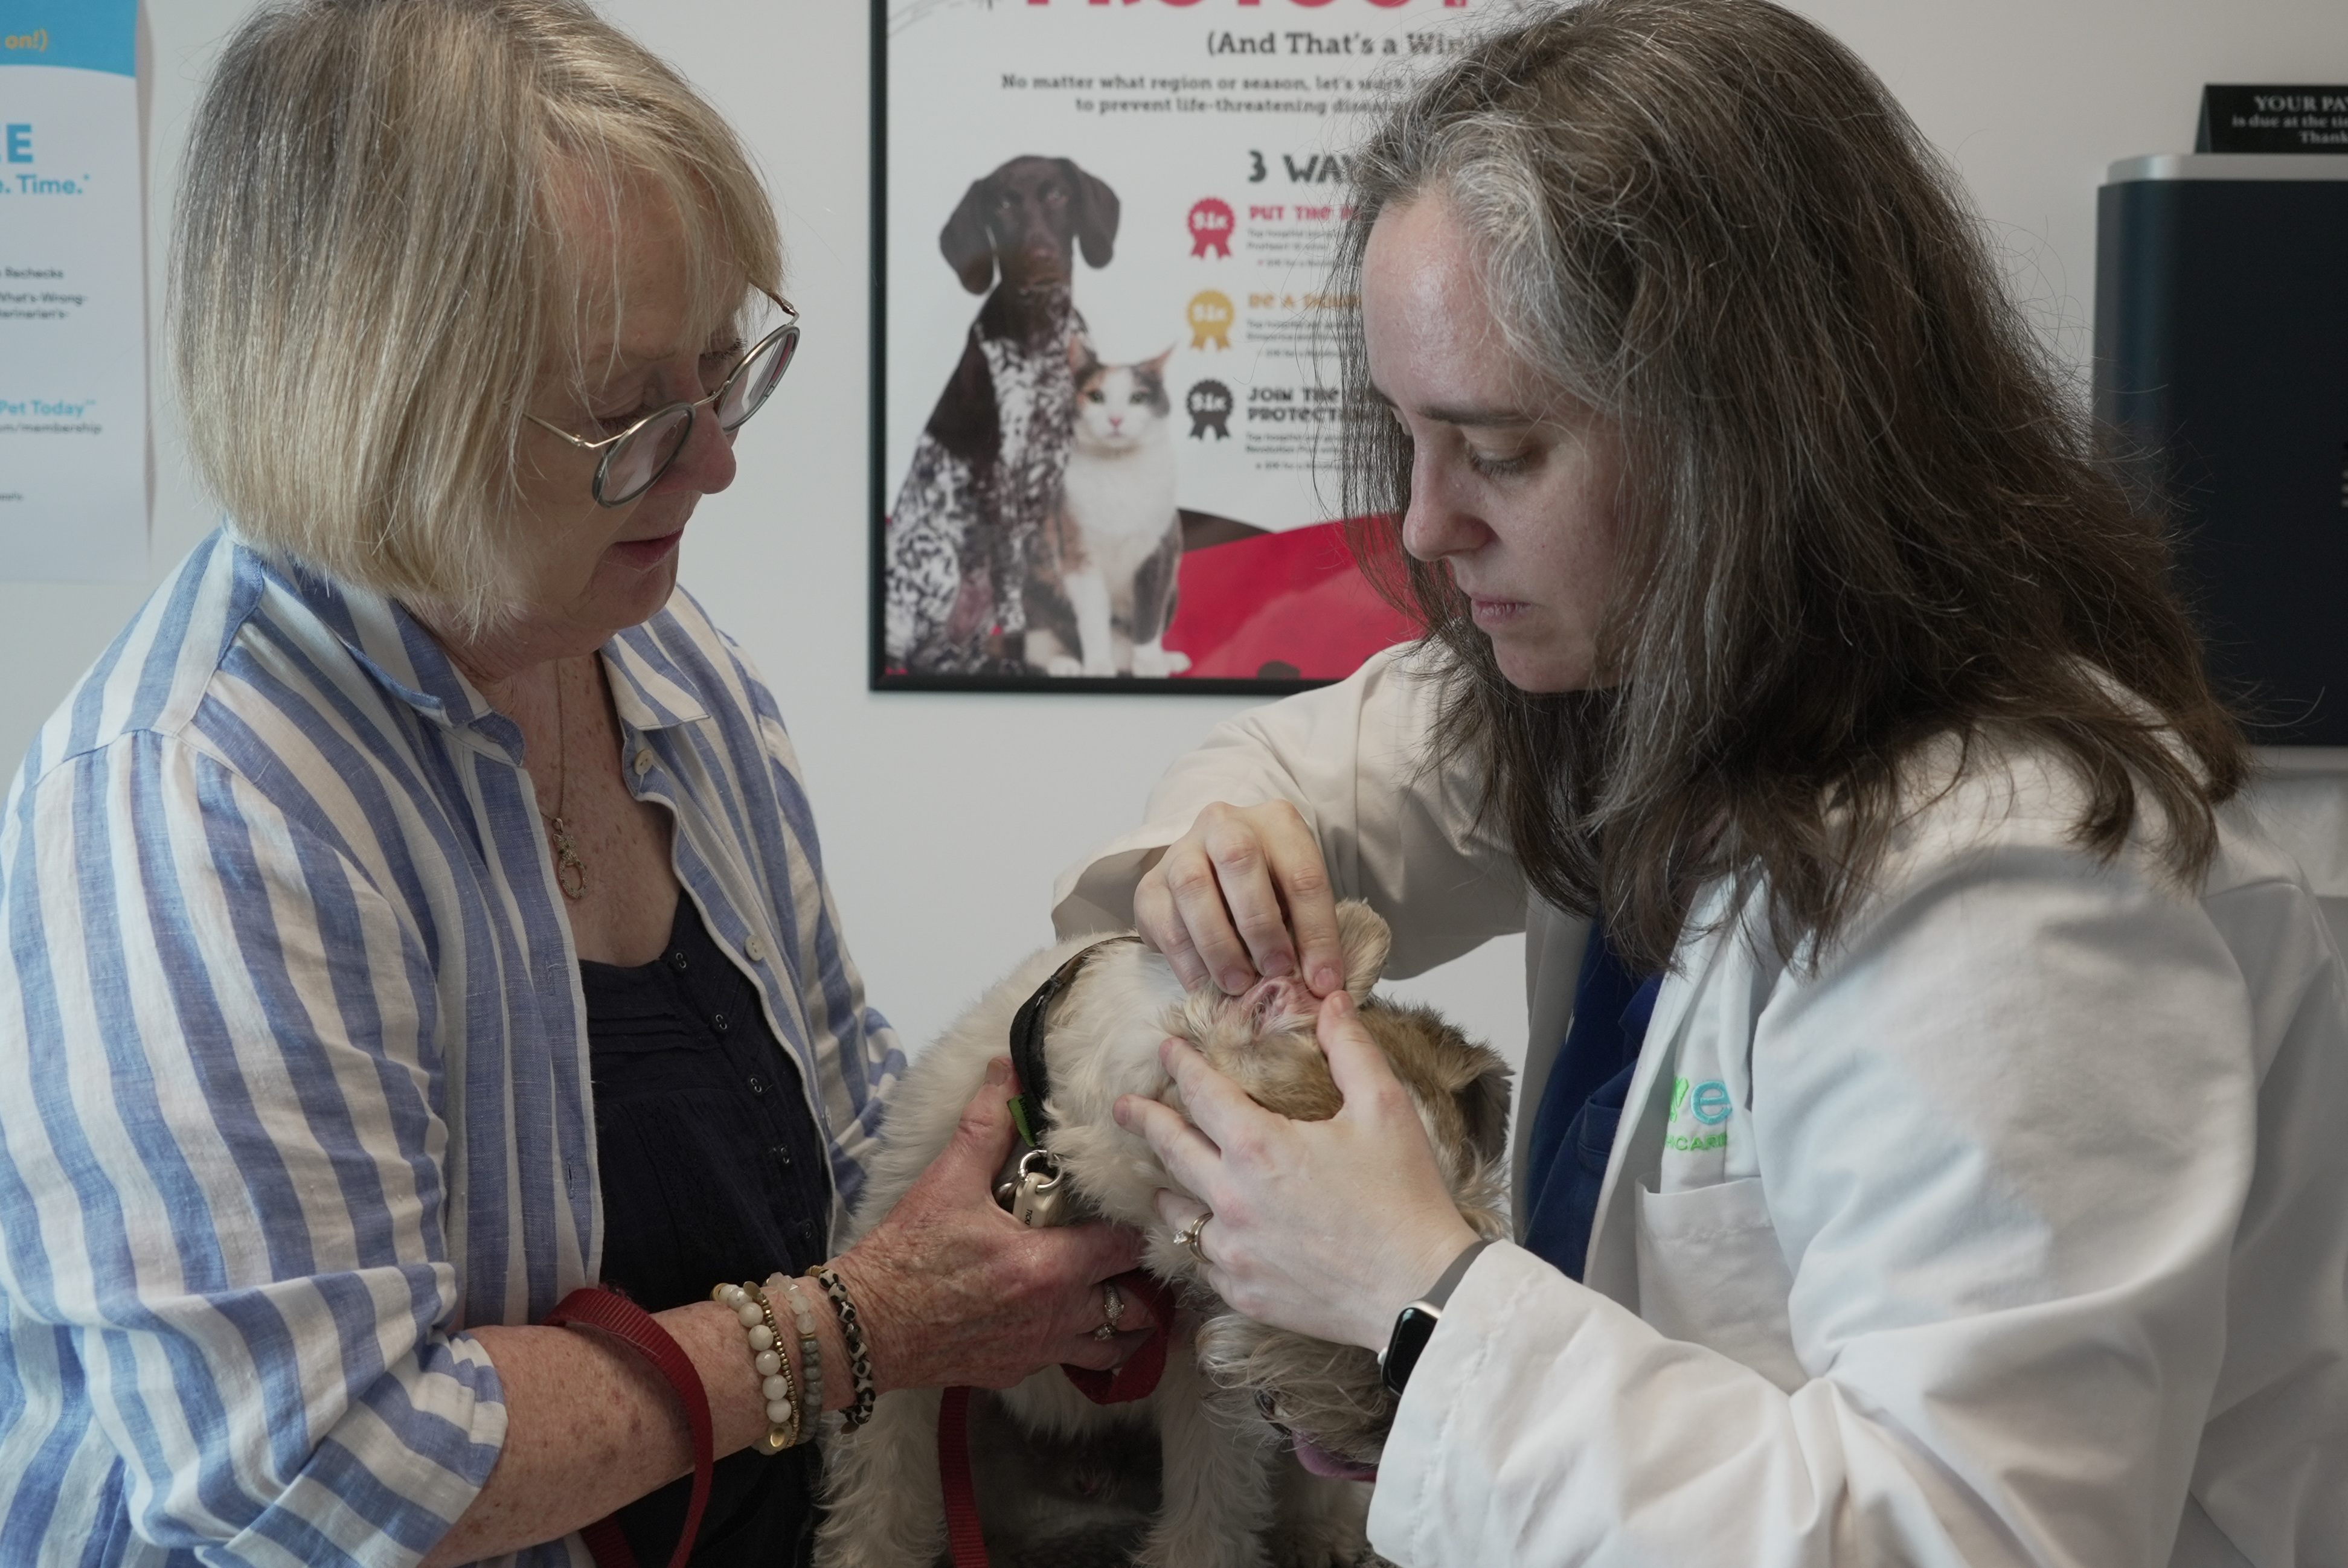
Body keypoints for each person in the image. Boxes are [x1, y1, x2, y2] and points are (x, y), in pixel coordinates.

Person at [1059, 2, 2348, 1564]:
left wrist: (1416, 1287)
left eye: (1503, 450)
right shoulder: (1654, 686)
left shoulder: (2018, 887)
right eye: (1408, 438)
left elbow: (1972, 1538)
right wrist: (1230, 846)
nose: (1424, 525)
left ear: (1752, 437)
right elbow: (1293, 765)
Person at [0, 3, 1150, 1564]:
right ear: (376, 406)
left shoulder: (665, 667)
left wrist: (1064, 1221)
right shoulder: (197, 812)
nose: (716, 463)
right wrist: (858, 1330)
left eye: (724, 370)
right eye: (624, 414)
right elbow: (316, 1477)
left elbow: (852, 1132)